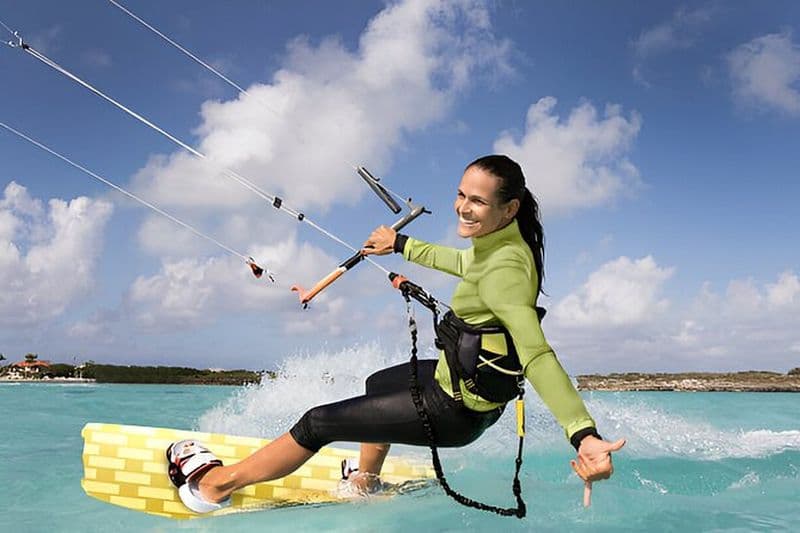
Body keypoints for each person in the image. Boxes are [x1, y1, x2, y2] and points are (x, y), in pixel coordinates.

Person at [166, 154, 625, 514]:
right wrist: (402, 245)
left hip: (455, 411)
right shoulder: (504, 244)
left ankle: (211, 486)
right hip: (466, 390)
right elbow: (464, 264)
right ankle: (365, 482)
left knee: (318, 422)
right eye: (461, 194)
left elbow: (537, 354)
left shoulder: (505, 266)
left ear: (510, 208)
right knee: (379, 384)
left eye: (478, 201)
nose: (463, 207)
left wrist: (582, 434)